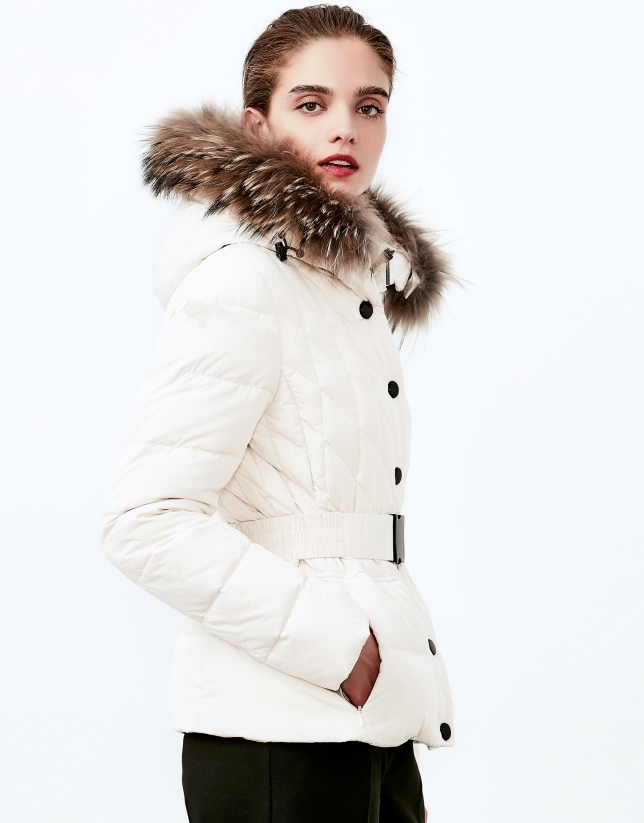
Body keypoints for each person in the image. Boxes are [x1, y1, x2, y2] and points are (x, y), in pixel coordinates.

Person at [102, 5, 454, 821]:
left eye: (369, 105)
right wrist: (342, 648)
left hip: (366, 715)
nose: (346, 127)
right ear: (258, 124)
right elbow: (143, 519)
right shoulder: (244, 284)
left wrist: (370, 665)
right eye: (312, 103)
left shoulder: (342, 294)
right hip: (279, 729)